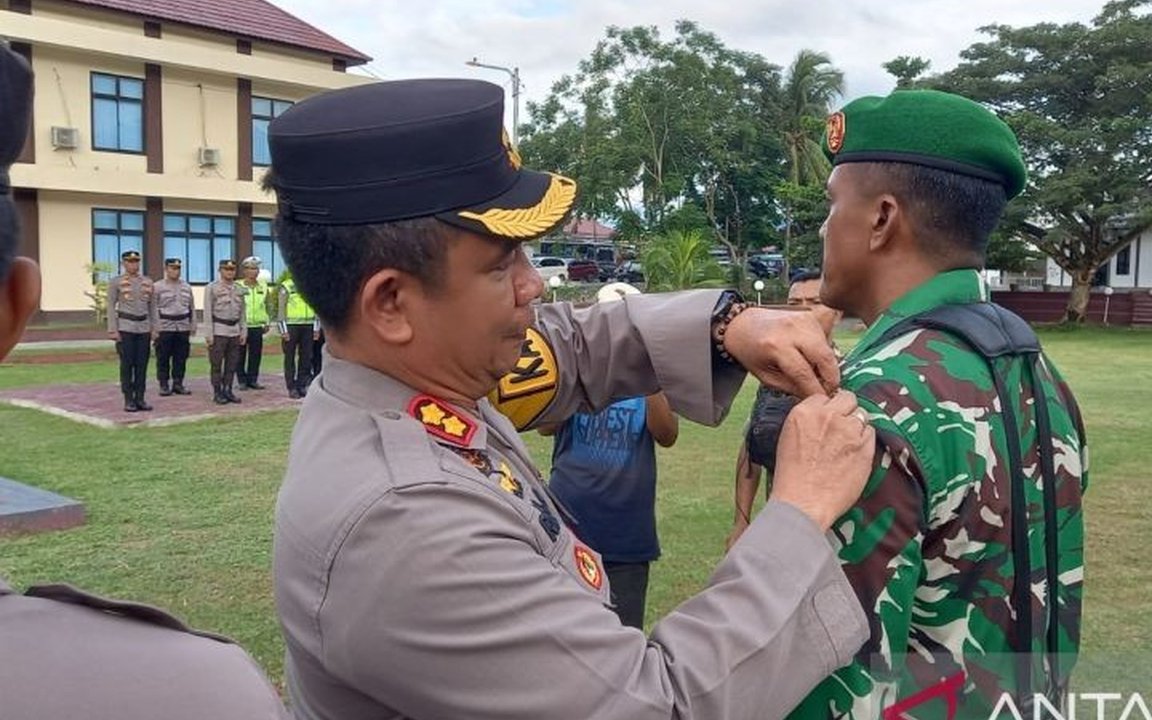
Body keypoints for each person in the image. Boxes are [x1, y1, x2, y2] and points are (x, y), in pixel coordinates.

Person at [268, 78, 877, 720]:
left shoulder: (404, 374)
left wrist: (727, 325)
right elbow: (655, 708)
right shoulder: (409, 525)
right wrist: (799, 514)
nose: (533, 284)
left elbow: (571, 344)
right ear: (391, 302)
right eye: (501, 264)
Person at [0, 40, 289, 720]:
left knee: (194, 372)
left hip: (193, 332)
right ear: (18, 304)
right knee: (139, 371)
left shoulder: (191, 289)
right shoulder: (193, 690)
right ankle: (135, 398)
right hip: (139, 332)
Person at [786, 90, 1088, 720]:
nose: (823, 227)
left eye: (833, 204)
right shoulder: (1036, 371)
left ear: (881, 218)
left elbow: (837, 678)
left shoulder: (870, 400)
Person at [540, 282, 679, 630]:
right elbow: (546, 426)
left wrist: (646, 370)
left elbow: (667, 434)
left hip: (626, 536)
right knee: (563, 634)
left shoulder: (651, 381)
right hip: (569, 528)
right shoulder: (578, 372)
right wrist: (575, 371)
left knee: (623, 636)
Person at [725, 270, 842, 550]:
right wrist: (741, 520)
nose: (803, 312)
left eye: (814, 302)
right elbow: (750, 448)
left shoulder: (854, 375)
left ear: (837, 313)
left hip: (837, 534)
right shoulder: (774, 376)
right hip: (780, 524)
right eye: (794, 304)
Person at [106, 249, 155, 412]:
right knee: (127, 365)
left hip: (143, 328)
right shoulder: (116, 282)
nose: (133, 265)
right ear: (123, 263)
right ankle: (128, 399)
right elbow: (110, 306)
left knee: (142, 365)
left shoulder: (147, 282)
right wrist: (113, 329)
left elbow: (152, 307)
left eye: (136, 261)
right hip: (125, 327)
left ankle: (140, 397)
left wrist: (155, 328)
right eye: (130, 261)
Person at [203, 259, 246, 404]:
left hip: (234, 331)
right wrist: (209, 334)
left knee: (232, 364)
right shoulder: (212, 287)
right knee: (216, 364)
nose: (229, 272)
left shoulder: (239, 288)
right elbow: (207, 311)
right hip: (219, 330)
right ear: (220, 271)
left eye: (232, 269)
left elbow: (243, 312)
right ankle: (217, 392)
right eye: (226, 269)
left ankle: (228, 389)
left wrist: (243, 331)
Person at [153, 257, 195, 396]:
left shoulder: (186, 287)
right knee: (163, 357)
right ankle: (164, 384)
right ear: (166, 269)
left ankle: (178, 383)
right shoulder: (157, 287)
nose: (176, 271)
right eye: (173, 268)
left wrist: (193, 324)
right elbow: (153, 308)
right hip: (165, 326)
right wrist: (154, 328)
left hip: (182, 326)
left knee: (181, 357)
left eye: (178, 268)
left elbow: (191, 307)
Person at [276, 273, 316, 399]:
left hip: (308, 325)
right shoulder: (286, 286)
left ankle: (301, 385)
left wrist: (316, 327)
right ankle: (291, 387)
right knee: (290, 357)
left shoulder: (311, 284)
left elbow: (316, 306)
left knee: (306, 357)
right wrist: (283, 329)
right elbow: (281, 309)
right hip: (291, 325)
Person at [235, 256, 270, 391]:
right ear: (244, 270)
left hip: (257, 326)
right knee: (240, 354)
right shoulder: (238, 285)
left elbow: (266, 305)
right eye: (250, 268)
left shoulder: (263, 286)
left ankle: (253, 379)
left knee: (256, 354)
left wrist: (267, 321)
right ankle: (241, 380)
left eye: (255, 269)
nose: (253, 271)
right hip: (242, 326)